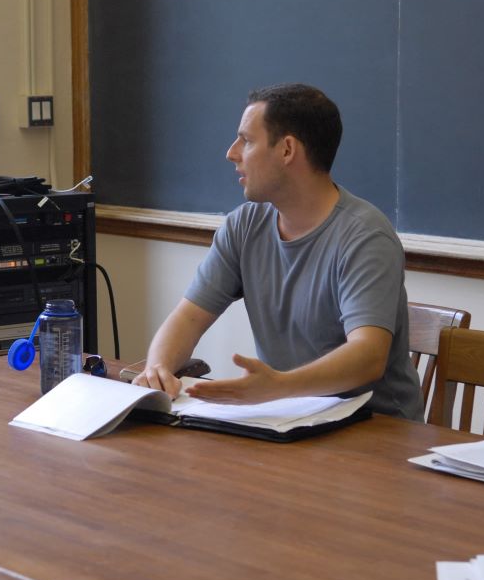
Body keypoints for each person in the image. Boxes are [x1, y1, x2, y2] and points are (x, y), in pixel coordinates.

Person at [134, 83, 423, 420]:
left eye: (247, 140)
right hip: (288, 420)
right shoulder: (244, 226)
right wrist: (158, 368)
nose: (232, 152)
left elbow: (368, 356)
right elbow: (189, 316)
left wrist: (279, 386)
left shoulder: (365, 237)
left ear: (287, 150)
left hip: (377, 432)